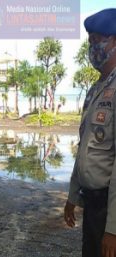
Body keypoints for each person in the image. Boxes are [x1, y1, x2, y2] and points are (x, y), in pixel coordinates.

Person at [64, 8, 116, 257]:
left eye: (97, 40)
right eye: (90, 41)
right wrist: (73, 195)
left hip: (109, 207)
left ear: (115, 41)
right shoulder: (95, 90)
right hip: (92, 205)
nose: (92, 47)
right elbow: (84, 146)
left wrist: (113, 230)